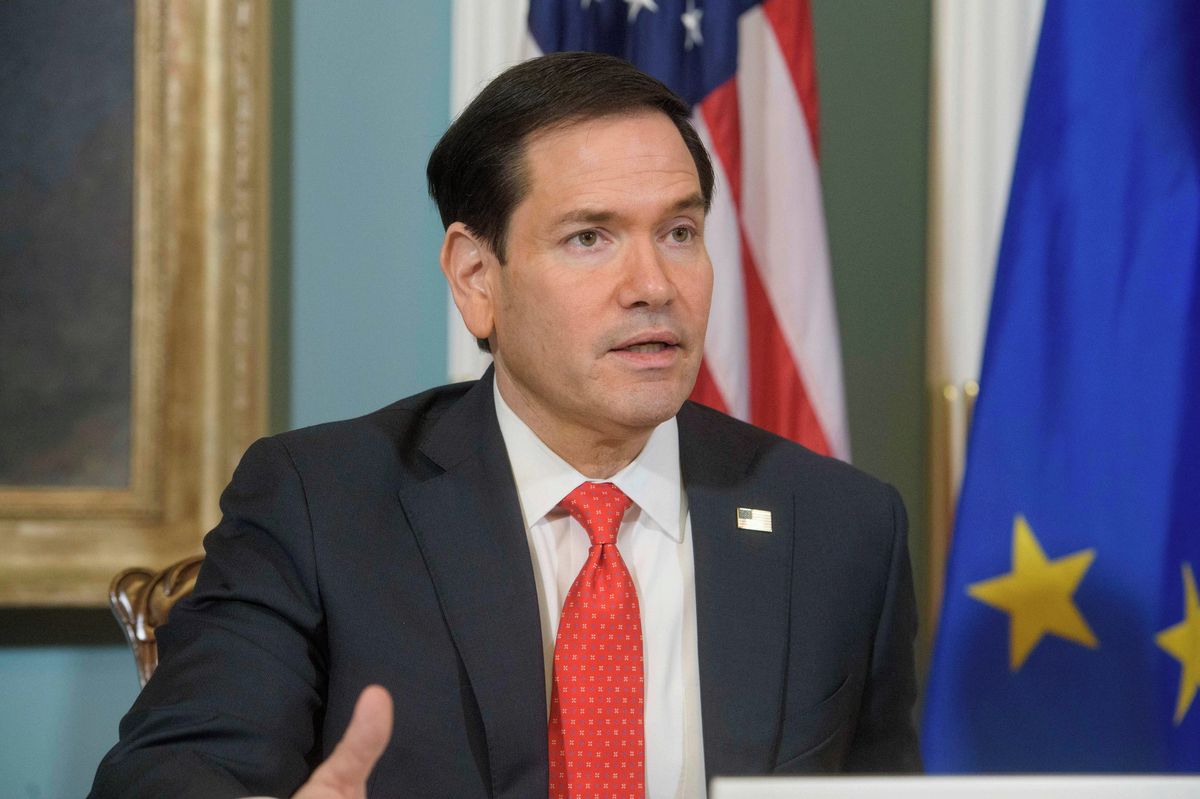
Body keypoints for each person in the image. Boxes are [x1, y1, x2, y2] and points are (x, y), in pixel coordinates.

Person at [90, 51, 920, 799]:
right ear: (476, 277)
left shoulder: (842, 527)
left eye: (679, 231)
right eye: (590, 237)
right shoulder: (322, 505)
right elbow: (169, 772)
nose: (654, 285)